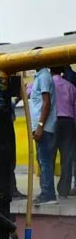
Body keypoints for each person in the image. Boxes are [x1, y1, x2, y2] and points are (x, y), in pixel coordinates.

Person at [29, 57, 58, 205]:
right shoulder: (40, 77)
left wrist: (40, 125)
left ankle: (48, 194)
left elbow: (47, 102)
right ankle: (46, 192)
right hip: (42, 127)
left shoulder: (44, 76)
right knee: (43, 161)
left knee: (45, 161)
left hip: (44, 128)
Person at [52, 66, 76, 198]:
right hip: (68, 123)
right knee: (67, 158)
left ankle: (48, 188)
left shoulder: (47, 84)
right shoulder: (70, 86)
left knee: (49, 156)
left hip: (52, 122)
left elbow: (29, 92)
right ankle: (64, 189)